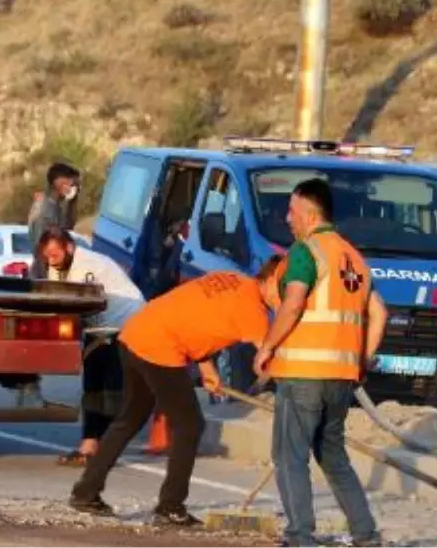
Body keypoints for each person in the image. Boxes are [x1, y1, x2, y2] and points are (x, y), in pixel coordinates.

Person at [69, 257, 285, 526]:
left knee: (129, 419)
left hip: (136, 333)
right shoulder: (254, 312)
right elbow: (271, 362)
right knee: (190, 425)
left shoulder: (231, 280)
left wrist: (206, 368)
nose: (285, 298)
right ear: (271, 281)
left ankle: (85, 492)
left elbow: (196, 318)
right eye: (283, 289)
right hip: (160, 348)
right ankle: (170, 506)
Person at [253, 178, 388, 548]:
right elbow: (379, 313)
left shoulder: (305, 252)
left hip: (303, 373)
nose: (287, 218)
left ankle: (300, 537)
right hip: (341, 377)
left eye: (292, 211)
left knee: (289, 457)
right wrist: (362, 359)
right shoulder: (353, 258)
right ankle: (366, 535)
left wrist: (267, 347)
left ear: (310, 214)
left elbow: (294, 303)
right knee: (333, 456)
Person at [28, 228, 145, 465]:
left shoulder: (87, 265)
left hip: (125, 325)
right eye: (47, 257)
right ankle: (90, 445)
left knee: (111, 390)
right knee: (92, 388)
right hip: (98, 328)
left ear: (69, 248)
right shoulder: (58, 266)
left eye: (55, 255)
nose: (51, 261)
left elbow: (79, 302)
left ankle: (105, 447)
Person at [28, 161, 81, 248]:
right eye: (72, 184)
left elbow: (67, 229)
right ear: (60, 182)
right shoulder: (44, 209)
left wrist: (71, 203)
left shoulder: (55, 207)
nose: (74, 188)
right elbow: (42, 243)